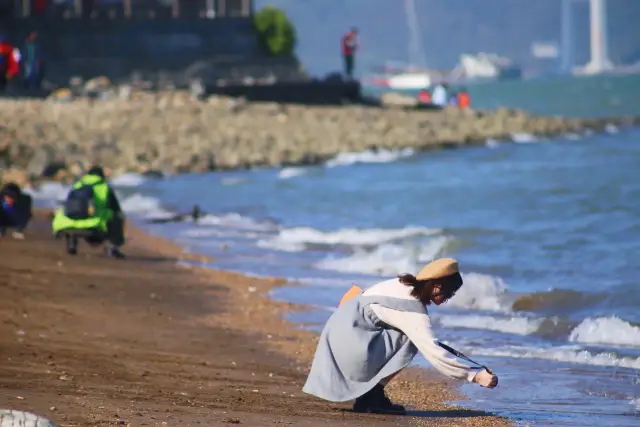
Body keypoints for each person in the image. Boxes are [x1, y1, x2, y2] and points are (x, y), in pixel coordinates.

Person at [303, 258, 498, 415]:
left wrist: (474, 367)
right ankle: (372, 395)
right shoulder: (412, 309)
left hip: (340, 336)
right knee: (411, 340)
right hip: (346, 346)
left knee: (411, 335)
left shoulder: (402, 285)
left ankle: (371, 396)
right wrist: (475, 375)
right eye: (450, 292)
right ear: (437, 286)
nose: (449, 298)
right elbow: (433, 352)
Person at [52, 166, 126, 258]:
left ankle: (71, 243)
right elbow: (116, 208)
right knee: (117, 216)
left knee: (75, 215)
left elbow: (69, 203)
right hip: (93, 224)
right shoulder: (104, 187)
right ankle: (114, 247)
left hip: (66, 223)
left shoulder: (77, 184)